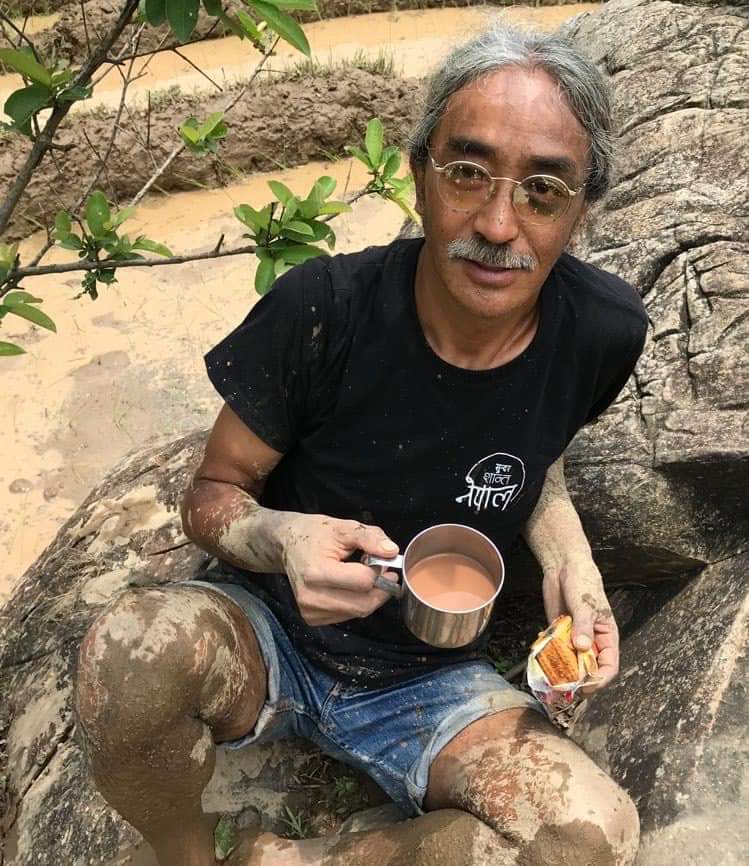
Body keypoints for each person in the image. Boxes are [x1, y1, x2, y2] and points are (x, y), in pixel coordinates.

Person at [75, 21, 648, 866]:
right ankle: (185, 857)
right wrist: (281, 537)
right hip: (265, 631)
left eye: (542, 190)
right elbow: (211, 494)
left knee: (591, 838)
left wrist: (572, 562)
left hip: (434, 677)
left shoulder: (601, 330)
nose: (498, 223)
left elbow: (541, 448)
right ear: (418, 174)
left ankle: (294, 859)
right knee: (128, 660)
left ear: (581, 208)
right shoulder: (321, 310)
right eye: (467, 172)